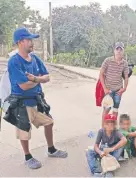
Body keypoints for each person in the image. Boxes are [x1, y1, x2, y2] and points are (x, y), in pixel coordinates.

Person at [5, 27, 68, 169]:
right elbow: (23, 86)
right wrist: (38, 80)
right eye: (29, 40)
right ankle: (28, 157)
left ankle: (51, 149)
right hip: (22, 102)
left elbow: (47, 77)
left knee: (49, 122)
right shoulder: (14, 62)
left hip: (37, 100)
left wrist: (34, 78)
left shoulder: (35, 58)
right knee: (24, 132)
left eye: (32, 39)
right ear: (20, 42)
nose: (32, 43)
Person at [99, 42, 129, 127]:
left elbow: (126, 77)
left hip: (118, 91)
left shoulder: (124, 63)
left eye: (121, 49)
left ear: (123, 51)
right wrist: (104, 88)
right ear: (114, 50)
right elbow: (101, 74)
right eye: (117, 49)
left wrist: (125, 88)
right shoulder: (108, 60)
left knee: (115, 110)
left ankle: (112, 129)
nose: (119, 51)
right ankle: (103, 130)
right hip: (108, 90)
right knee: (106, 110)